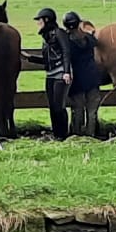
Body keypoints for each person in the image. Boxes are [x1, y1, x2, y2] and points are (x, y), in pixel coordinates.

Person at [62, 11, 103, 138]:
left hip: (77, 81)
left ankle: (77, 134)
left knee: (77, 109)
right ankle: (91, 134)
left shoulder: (67, 42)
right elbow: (95, 41)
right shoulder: (88, 39)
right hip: (92, 78)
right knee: (92, 110)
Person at [35, 7, 71, 140]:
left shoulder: (59, 33)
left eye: (39, 20)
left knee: (58, 106)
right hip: (50, 74)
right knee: (52, 106)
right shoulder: (46, 37)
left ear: (46, 20)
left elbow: (66, 52)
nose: (38, 23)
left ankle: (63, 134)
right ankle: (56, 134)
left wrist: (66, 72)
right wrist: (29, 58)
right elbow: (47, 59)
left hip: (60, 73)